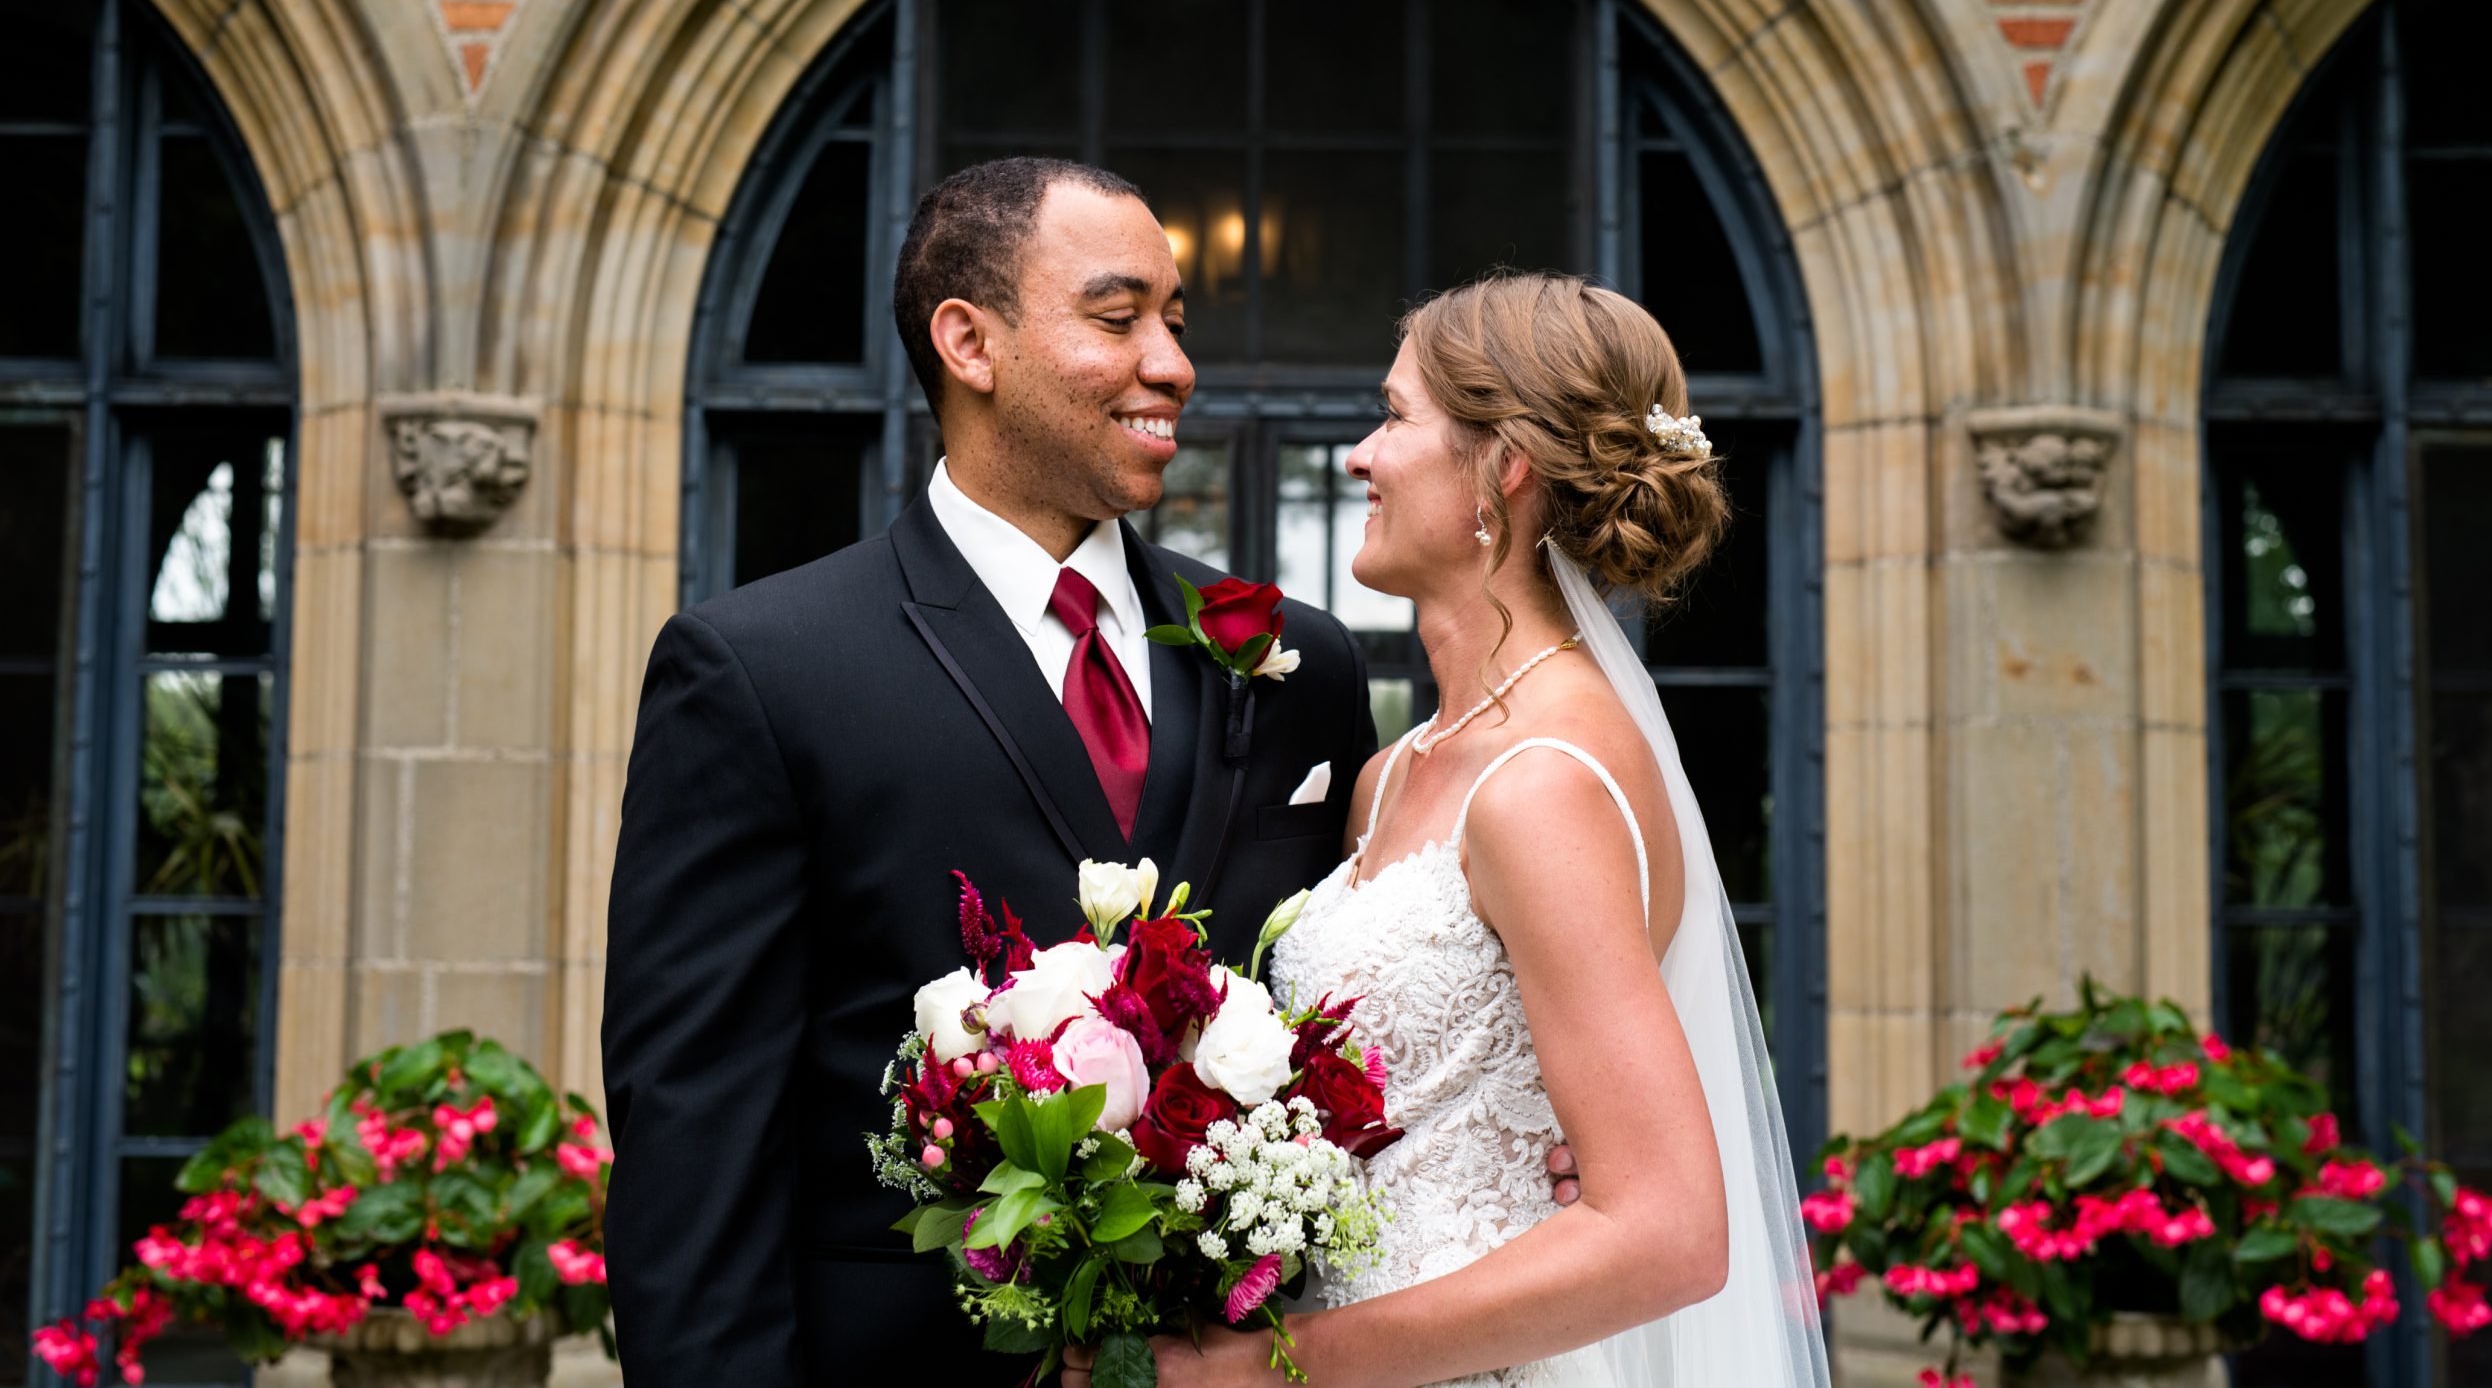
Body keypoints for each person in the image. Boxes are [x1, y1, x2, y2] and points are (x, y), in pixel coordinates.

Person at [599, 158, 1382, 1388]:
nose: (1172, 364)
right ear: (968, 341)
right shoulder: (760, 670)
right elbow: (694, 1136)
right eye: (1118, 320)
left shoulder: (1298, 666)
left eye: (1174, 324)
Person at [1129, 273, 1832, 1387]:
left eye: (1395, 417)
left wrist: (1262, 1369)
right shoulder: (1390, 775)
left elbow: (1667, 1234)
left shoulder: (1545, 781)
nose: (1359, 455)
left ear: (1503, 469)